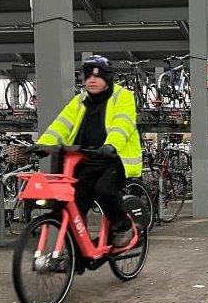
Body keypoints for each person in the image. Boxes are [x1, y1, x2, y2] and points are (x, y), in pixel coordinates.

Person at [34, 55, 142, 247]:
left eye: (98, 76)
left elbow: (122, 124)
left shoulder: (123, 96)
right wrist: (44, 144)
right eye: (88, 77)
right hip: (85, 160)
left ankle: (122, 225)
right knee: (72, 202)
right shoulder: (79, 101)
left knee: (104, 190)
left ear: (108, 79)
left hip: (113, 159)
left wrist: (111, 146)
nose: (92, 80)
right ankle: (77, 254)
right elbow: (61, 124)